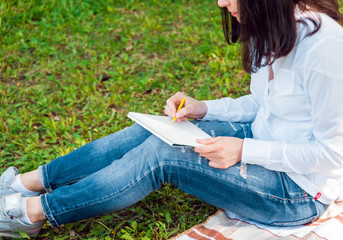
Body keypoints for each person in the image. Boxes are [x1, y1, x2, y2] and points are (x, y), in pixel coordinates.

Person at [1, 0, 343, 237]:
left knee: (164, 155)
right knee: (155, 131)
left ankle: (34, 213)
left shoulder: (325, 50)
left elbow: (334, 153)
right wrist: (202, 109)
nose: (222, 3)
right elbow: (265, 104)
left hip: (297, 193)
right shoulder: (275, 24)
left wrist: (244, 150)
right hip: (261, 139)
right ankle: (27, 182)